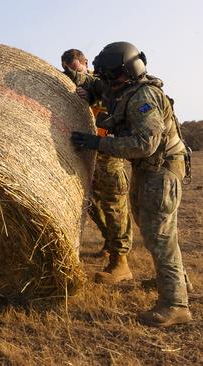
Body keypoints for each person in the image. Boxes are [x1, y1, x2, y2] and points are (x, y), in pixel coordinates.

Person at [71, 41, 191, 327]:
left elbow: (145, 144)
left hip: (160, 170)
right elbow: (94, 84)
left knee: (159, 236)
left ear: (121, 73)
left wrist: (98, 142)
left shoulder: (142, 97)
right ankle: (178, 281)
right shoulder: (124, 89)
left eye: (107, 75)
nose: (104, 81)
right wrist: (82, 85)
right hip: (149, 170)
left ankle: (175, 305)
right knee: (153, 229)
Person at [61, 49, 133, 284]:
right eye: (68, 69)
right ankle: (109, 242)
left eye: (76, 69)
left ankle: (120, 261)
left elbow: (114, 104)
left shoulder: (103, 83)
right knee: (91, 205)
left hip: (108, 153)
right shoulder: (77, 86)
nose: (72, 73)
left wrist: (91, 95)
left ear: (86, 64)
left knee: (114, 205)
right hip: (87, 152)